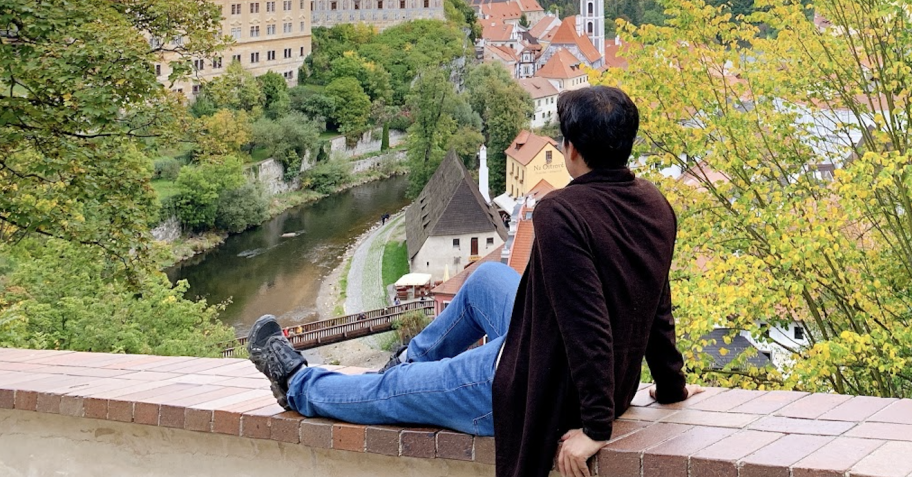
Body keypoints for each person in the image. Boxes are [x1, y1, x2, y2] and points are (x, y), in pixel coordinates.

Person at [248, 85, 692, 477]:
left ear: (571, 149)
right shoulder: (654, 203)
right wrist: (672, 385)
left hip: (539, 389)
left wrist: (595, 428)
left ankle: (299, 385)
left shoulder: (562, 212)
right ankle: (409, 361)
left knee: (393, 393)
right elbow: (657, 304)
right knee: (488, 278)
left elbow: (587, 325)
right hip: (566, 362)